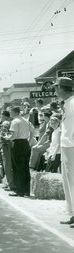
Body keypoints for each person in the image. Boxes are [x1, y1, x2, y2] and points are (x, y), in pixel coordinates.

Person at [53, 77, 74, 220]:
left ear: (61, 87)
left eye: (56, 87)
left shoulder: (72, 102)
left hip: (71, 145)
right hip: (66, 146)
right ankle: (72, 213)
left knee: (73, 180)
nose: (55, 90)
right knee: (68, 181)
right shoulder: (67, 103)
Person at [5, 106, 31, 197]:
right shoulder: (25, 120)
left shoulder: (15, 121)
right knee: (25, 167)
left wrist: (7, 137)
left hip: (18, 144)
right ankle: (26, 190)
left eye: (10, 111)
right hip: (25, 143)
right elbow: (30, 132)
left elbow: (14, 136)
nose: (10, 113)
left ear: (14, 112)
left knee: (17, 167)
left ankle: (19, 190)